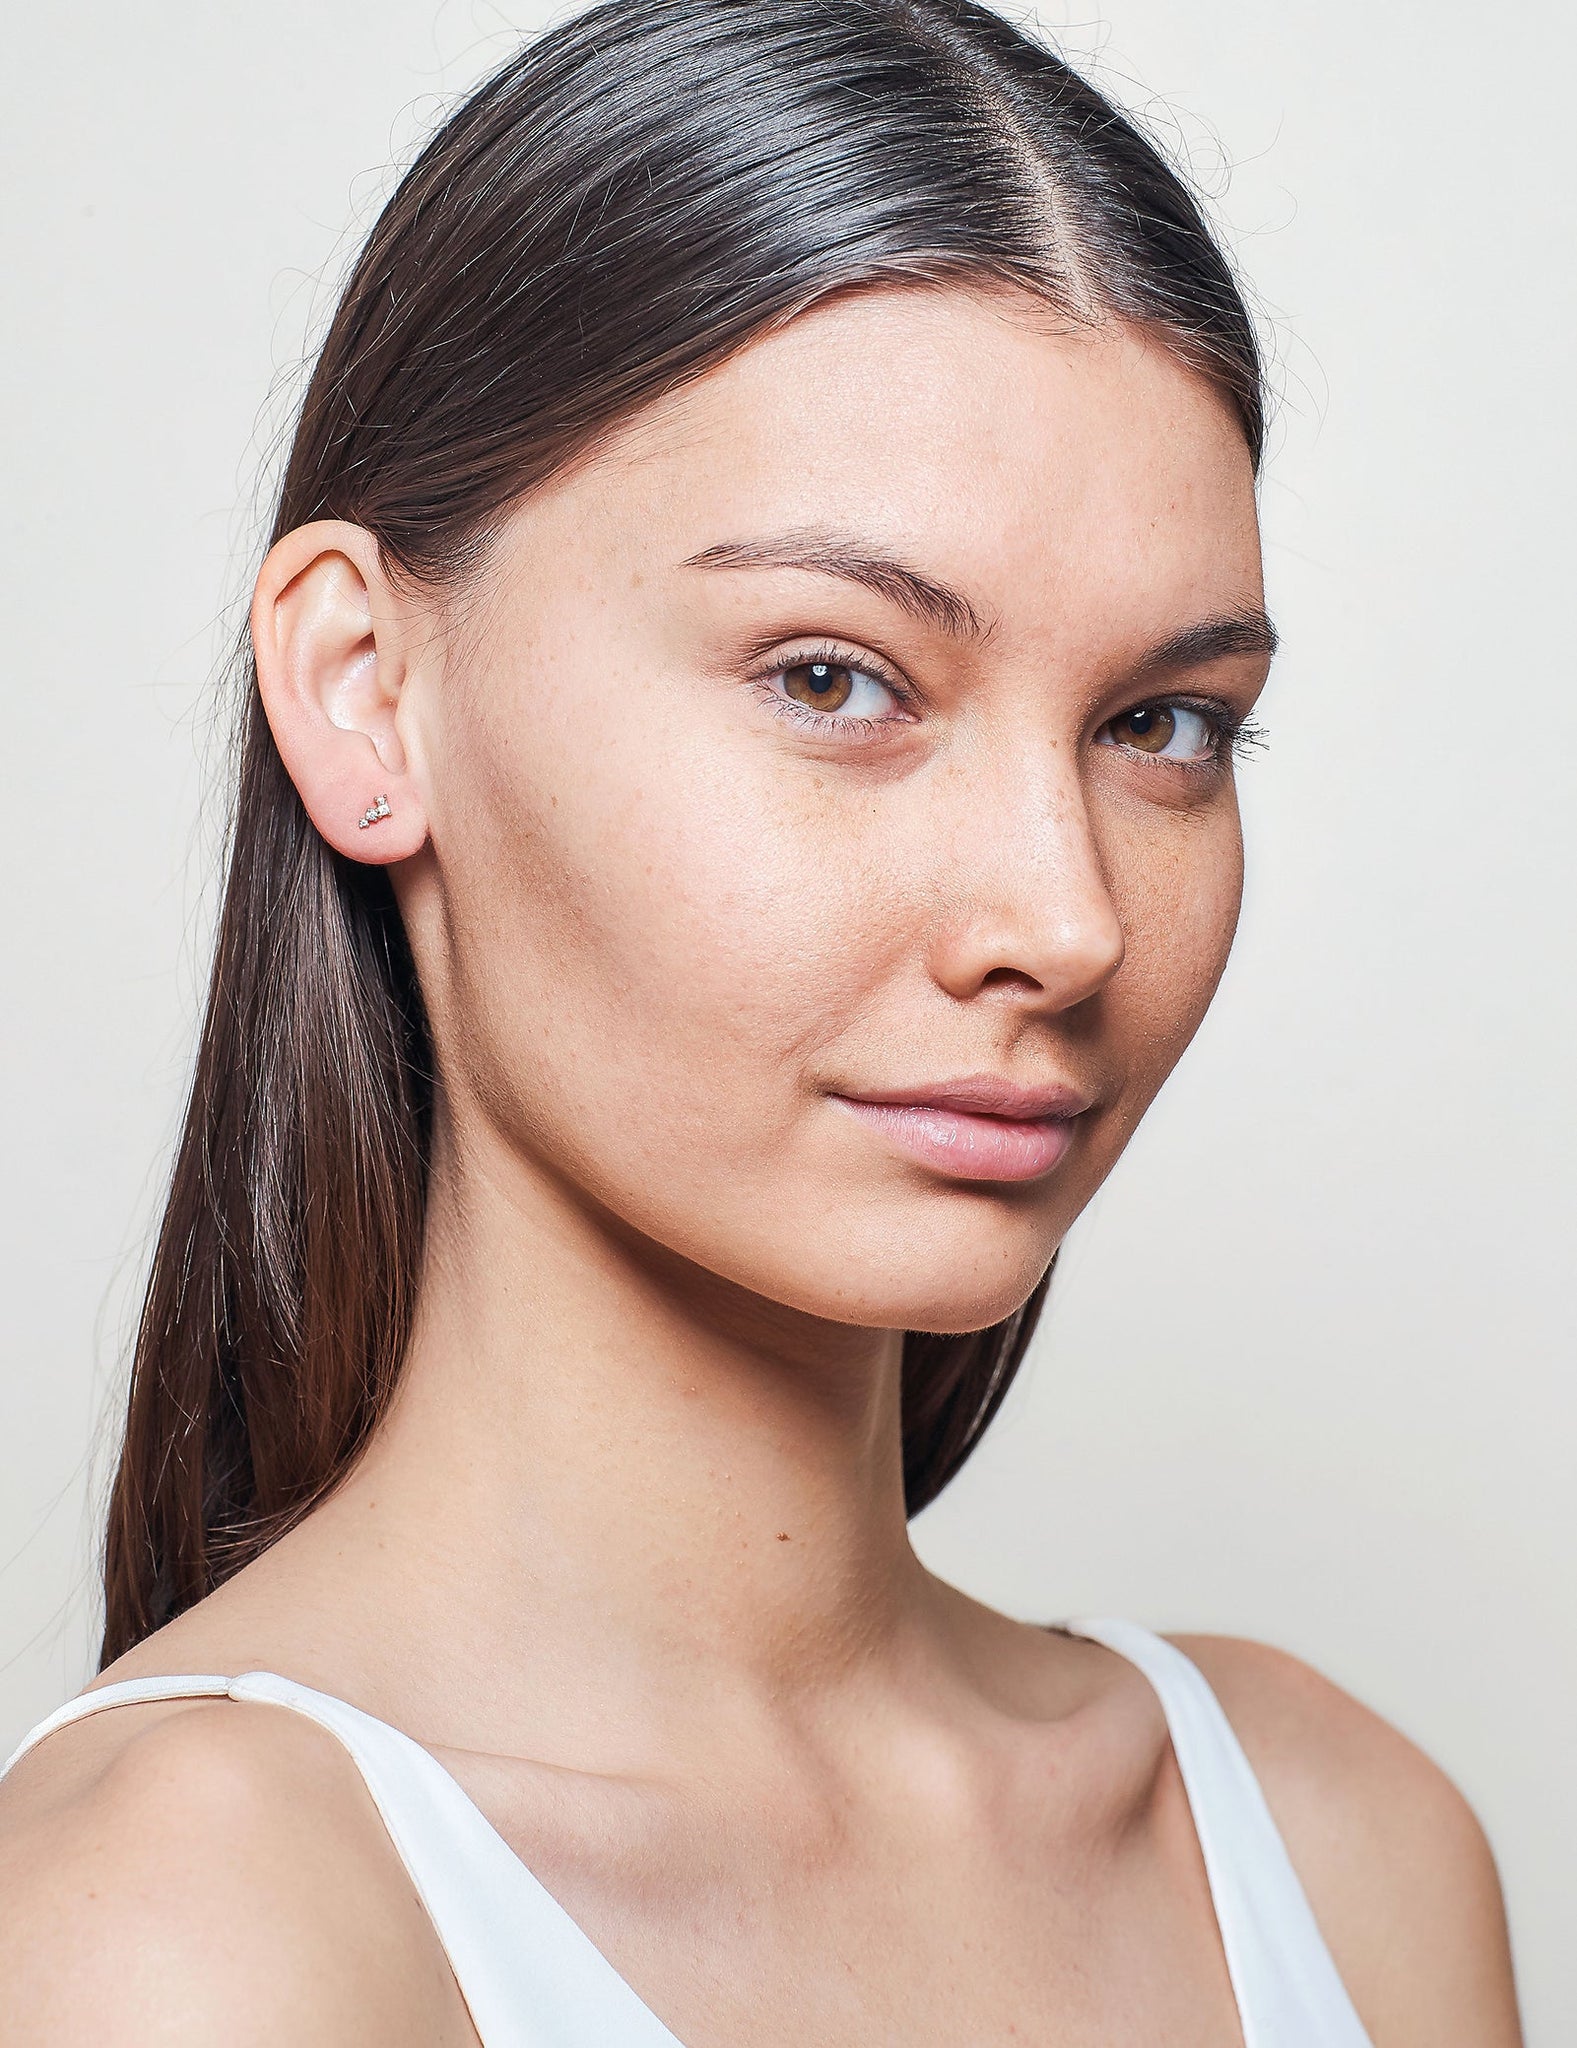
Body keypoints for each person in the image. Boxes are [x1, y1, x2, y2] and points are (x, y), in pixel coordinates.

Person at [0, 1, 1522, 2040]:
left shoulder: (1342, 1850)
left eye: (1163, 726)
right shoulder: (185, 1930)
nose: (1066, 920)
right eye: (832, 678)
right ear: (366, 689)